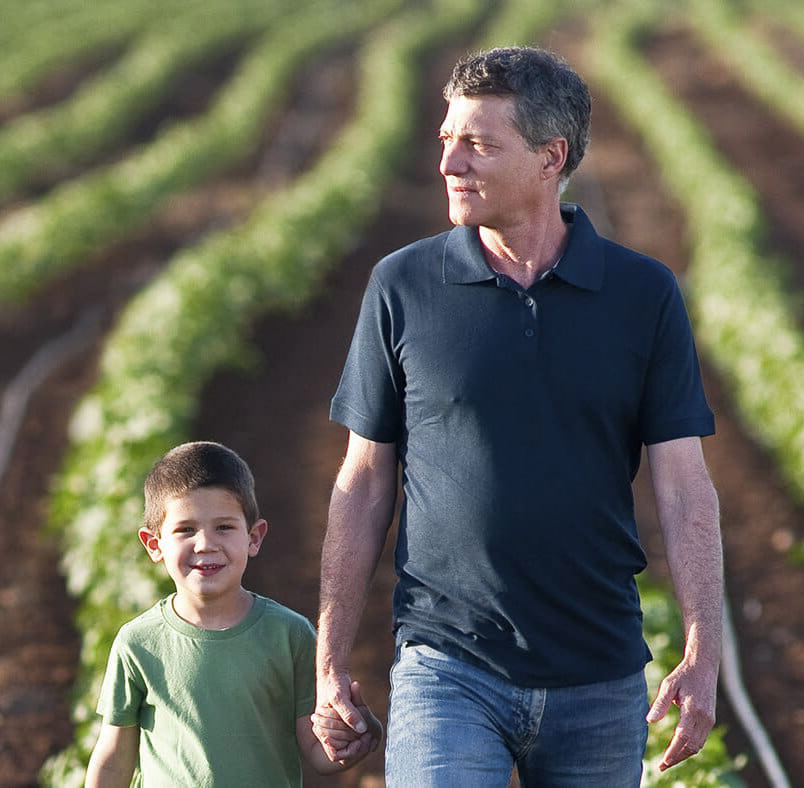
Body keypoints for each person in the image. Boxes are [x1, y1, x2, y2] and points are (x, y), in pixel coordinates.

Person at [315, 46, 725, 785]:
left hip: (600, 679)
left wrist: (702, 656)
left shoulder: (642, 296)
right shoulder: (403, 285)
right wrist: (330, 662)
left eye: (477, 144)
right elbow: (364, 481)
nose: (450, 164)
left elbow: (685, 488)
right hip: (448, 667)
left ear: (549, 156)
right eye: (447, 141)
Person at [85, 441, 381, 787]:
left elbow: (317, 749)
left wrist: (354, 735)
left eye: (224, 527)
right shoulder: (138, 644)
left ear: (254, 537)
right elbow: (113, 758)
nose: (206, 543)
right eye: (185, 530)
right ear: (155, 545)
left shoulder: (290, 636)